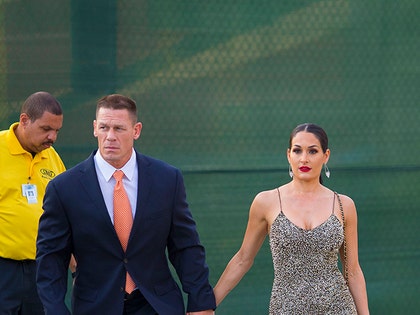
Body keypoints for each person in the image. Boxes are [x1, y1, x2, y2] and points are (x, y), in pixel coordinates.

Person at [36, 94, 216, 315]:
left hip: (157, 305)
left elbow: (186, 246)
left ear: (136, 130)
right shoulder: (64, 188)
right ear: (94, 128)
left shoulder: (167, 179)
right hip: (96, 307)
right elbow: (51, 258)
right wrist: (55, 310)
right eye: (104, 127)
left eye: (119, 129)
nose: (110, 136)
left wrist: (201, 302)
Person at [214, 123, 369, 314]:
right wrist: (208, 304)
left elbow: (352, 272)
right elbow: (243, 259)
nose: (304, 159)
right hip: (285, 309)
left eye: (313, 151)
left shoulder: (344, 205)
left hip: (339, 308)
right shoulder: (266, 202)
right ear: (289, 155)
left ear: (326, 156)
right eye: (297, 151)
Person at [0, 91, 65, 314]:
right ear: (25, 120)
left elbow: (65, 213)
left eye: (56, 131)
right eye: (46, 129)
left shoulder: (53, 158)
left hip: (41, 269)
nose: (52, 138)